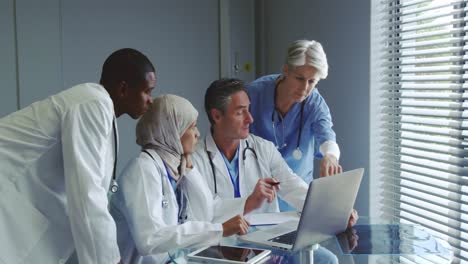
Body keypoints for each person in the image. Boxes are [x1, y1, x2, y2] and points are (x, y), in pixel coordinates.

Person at [0, 48, 155, 264]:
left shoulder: (102, 111)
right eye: (148, 91)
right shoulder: (92, 104)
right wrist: (111, 261)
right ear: (123, 89)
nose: (151, 100)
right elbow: (87, 195)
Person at [192, 78, 354, 263]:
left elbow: (294, 187)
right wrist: (249, 203)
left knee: (327, 261)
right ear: (216, 116)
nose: (250, 119)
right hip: (225, 249)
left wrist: (336, 212)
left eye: (248, 109)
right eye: (240, 112)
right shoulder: (195, 160)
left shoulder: (262, 149)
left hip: (269, 244)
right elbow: (202, 215)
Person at [109, 94, 250, 263]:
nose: (197, 134)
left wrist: (190, 169)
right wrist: (219, 230)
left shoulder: (173, 167)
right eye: (192, 127)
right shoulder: (142, 170)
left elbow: (205, 212)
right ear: (172, 132)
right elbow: (150, 239)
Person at [247, 40, 341, 182]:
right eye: (299, 78)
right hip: (258, 187)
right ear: (285, 70)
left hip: (298, 192)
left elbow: (326, 134)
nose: (304, 88)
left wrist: (330, 156)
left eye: (311, 82)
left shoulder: (314, 102)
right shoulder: (254, 94)